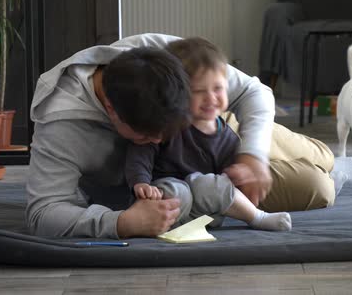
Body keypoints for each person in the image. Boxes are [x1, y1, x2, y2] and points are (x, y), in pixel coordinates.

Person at [26, 34, 275, 239]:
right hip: (173, 186)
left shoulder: (165, 57)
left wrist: (253, 155)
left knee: (309, 180)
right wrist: (120, 223)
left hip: (220, 137)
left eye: (168, 131)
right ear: (111, 109)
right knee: (312, 184)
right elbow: (42, 213)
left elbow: (254, 92)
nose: (158, 142)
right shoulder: (60, 125)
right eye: (147, 137)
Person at [125, 37, 292, 231]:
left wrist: (240, 175)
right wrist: (141, 183)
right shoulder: (166, 126)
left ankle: (257, 218)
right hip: (168, 207)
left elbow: (227, 184)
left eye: (218, 89)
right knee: (177, 190)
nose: (211, 98)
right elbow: (139, 155)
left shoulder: (227, 137)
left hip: (206, 213)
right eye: (199, 91)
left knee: (210, 185)